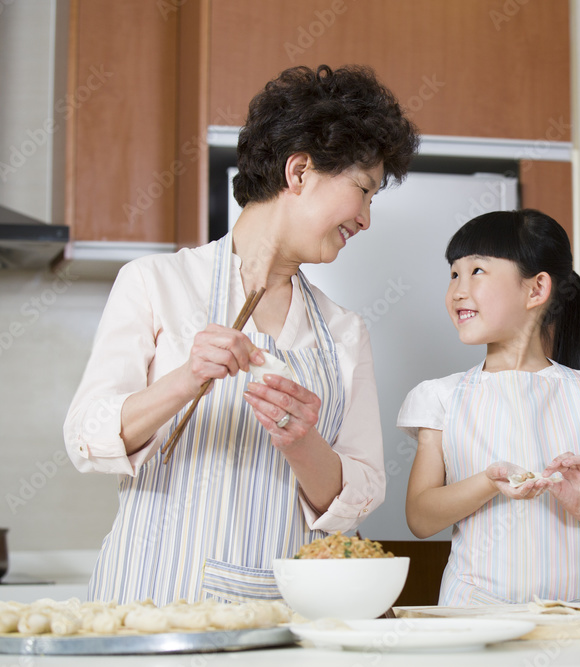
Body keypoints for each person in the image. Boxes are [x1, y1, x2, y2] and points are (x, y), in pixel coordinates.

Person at [64, 64, 419, 605]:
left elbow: (361, 493)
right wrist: (186, 379)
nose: (367, 219)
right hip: (146, 606)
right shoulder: (156, 283)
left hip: (279, 616)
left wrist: (303, 442)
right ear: (299, 171)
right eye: (363, 190)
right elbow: (86, 437)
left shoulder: (345, 331)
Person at [400, 209, 580, 605]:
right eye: (453, 274)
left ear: (535, 289)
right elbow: (421, 519)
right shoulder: (440, 398)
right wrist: (487, 483)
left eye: (477, 271)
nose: (458, 290)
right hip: (475, 614)